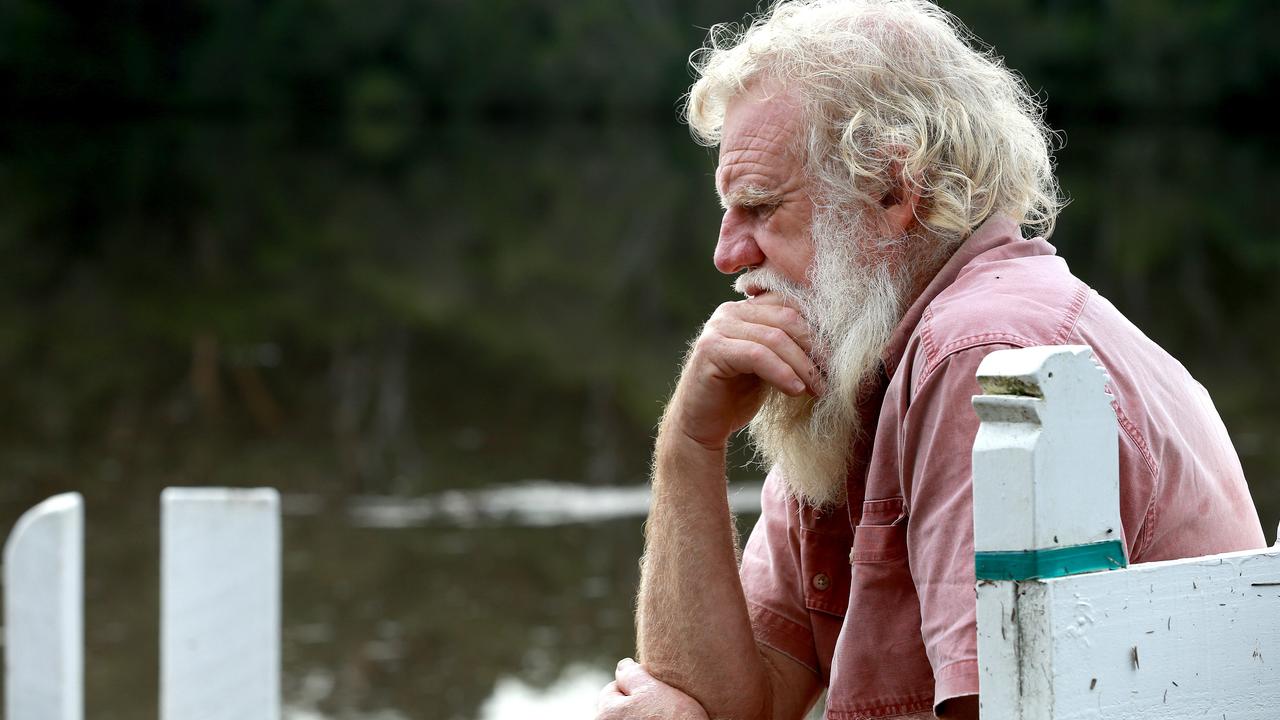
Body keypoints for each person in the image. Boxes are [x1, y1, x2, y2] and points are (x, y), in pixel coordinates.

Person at [595, 1, 1266, 719]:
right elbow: (722, 704)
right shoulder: (857, 360)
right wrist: (689, 444)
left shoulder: (980, 361)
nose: (727, 255)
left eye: (760, 208)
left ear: (893, 190)